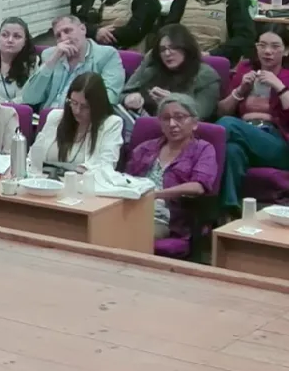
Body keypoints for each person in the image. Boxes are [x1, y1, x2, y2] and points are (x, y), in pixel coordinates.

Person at [215, 24, 289, 215]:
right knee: (232, 150)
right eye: (262, 45)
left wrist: (279, 87)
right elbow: (222, 110)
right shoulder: (245, 70)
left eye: (275, 46)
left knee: (227, 125)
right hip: (244, 134)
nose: (267, 51)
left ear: (286, 50)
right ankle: (230, 211)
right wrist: (240, 91)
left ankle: (195, 156)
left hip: (277, 143)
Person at [124, 94, 217, 244]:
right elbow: (124, 180)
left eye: (179, 117)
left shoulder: (203, 149)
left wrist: (156, 195)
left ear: (194, 123)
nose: (172, 124)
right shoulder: (145, 148)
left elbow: (198, 186)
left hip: (164, 218)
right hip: (131, 208)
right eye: (166, 118)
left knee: (128, 236)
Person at [22, 14, 125, 111]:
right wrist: (52, 60)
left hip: (82, 117)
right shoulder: (50, 55)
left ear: (83, 29)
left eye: (67, 31)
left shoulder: (107, 55)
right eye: (58, 36)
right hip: (48, 117)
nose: (63, 38)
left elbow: (109, 98)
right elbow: (29, 98)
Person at [121, 24, 221, 122]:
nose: (167, 53)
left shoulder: (207, 76)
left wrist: (173, 102)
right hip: (140, 122)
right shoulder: (153, 67)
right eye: (162, 49)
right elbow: (122, 94)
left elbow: (200, 114)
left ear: (186, 48)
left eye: (173, 47)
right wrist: (127, 99)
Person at [30, 72, 123, 173]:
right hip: (45, 179)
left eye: (85, 106)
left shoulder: (111, 124)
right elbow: (32, 157)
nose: (77, 111)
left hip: (83, 182)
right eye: (74, 103)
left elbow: (106, 167)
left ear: (97, 106)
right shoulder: (55, 117)